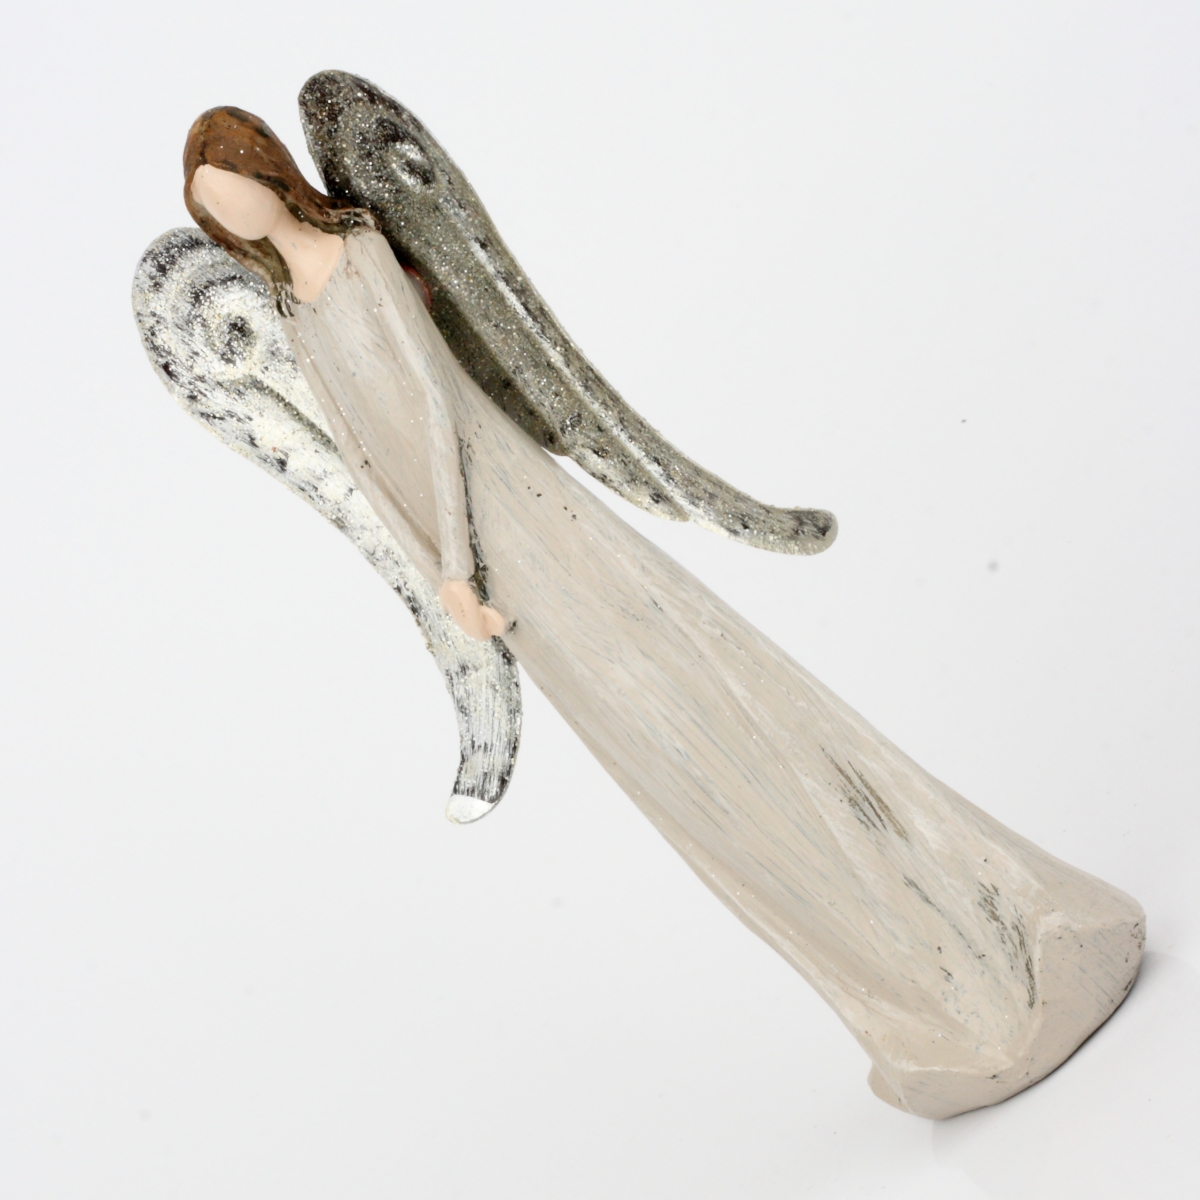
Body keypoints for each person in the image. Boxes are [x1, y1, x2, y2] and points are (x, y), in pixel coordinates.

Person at [177, 106, 1144, 1118]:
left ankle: (1003, 941)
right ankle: (912, 1001)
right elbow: (370, 462)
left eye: (233, 191)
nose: (233, 216)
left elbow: (435, 409)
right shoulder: (292, 314)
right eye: (214, 211)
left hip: (522, 522)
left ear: (268, 172)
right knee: (675, 775)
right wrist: (441, 581)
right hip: (485, 584)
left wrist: (456, 562)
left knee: (720, 710)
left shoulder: (364, 255)